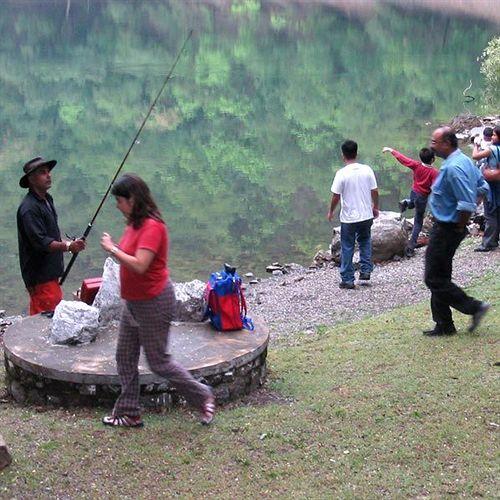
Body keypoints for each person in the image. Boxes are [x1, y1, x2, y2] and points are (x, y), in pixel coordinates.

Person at [100, 173, 214, 427]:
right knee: (124, 357)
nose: (117, 206)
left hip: (153, 302)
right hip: (133, 302)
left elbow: (140, 265)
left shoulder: (153, 227)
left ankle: (202, 395)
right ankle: (129, 412)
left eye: (119, 201)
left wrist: (112, 249)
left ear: (132, 199)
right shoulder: (134, 224)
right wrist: (117, 249)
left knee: (158, 362)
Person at [423, 127, 490, 336]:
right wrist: (471, 203)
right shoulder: (464, 161)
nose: (431, 146)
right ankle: (444, 325)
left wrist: (460, 224)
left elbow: (465, 204)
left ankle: (474, 307)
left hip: (447, 228)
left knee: (433, 278)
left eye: (434, 142)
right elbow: (483, 187)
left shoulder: (454, 168)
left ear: (447, 143)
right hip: (448, 226)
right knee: (440, 275)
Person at [17, 157, 86, 315]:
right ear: (31, 179)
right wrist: (68, 246)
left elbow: (51, 235)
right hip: (41, 277)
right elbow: (42, 242)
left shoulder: (47, 199)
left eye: (48, 172)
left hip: (50, 274)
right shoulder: (29, 209)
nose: (48, 175)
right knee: (44, 320)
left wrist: (70, 244)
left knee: (50, 314)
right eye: (43, 173)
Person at [328, 140, 379, 289]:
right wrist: (375, 207)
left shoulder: (341, 174)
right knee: (365, 241)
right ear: (356, 153)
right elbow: (375, 191)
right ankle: (365, 270)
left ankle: (348, 279)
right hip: (366, 215)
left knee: (347, 246)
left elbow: (336, 196)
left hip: (349, 218)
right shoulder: (367, 170)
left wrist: (331, 211)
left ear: (343, 155)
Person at [382, 146, 439, 256]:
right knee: (418, 222)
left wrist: (391, 150)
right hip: (422, 197)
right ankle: (410, 247)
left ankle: (406, 203)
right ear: (433, 159)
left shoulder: (416, 165)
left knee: (412, 204)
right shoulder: (434, 173)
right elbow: (436, 188)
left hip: (414, 192)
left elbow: (403, 159)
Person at [472, 125, 500, 252]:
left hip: (491, 186)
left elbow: (475, 156)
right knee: (497, 213)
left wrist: (476, 145)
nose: (491, 137)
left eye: (494, 135)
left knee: (490, 214)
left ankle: (488, 243)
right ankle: (494, 239)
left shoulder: (491, 149)